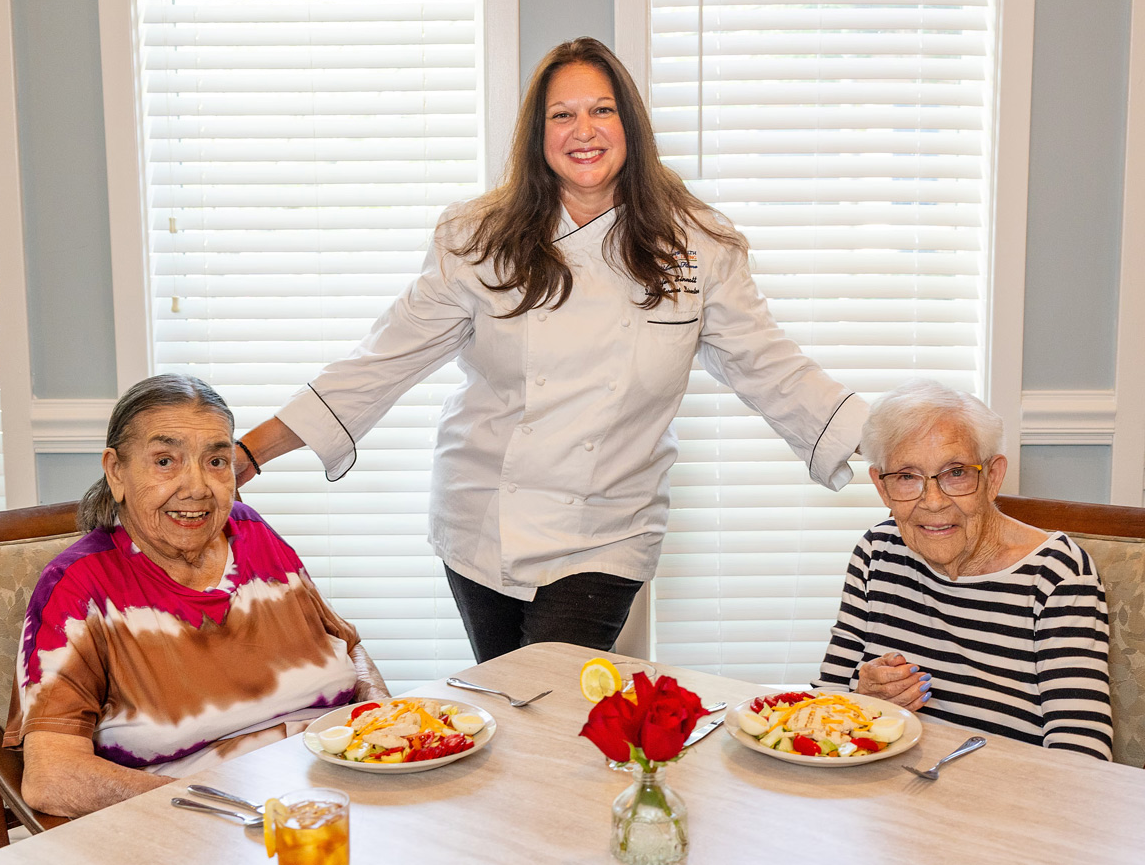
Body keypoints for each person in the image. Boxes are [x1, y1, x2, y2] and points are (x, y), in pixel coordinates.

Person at [234, 37, 867, 663]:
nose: (582, 130)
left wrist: (893, 442)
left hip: (608, 525)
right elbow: (381, 362)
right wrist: (248, 454)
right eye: (561, 115)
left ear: (632, 126)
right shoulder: (478, 241)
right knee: (510, 712)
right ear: (537, 136)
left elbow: (771, 366)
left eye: (602, 109)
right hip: (484, 518)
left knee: (546, 703)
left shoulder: (700, 247)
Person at [4, 375, 389, 817]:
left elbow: (348, 647)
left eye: (216, 461)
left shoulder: (250, 531)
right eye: (165, 461)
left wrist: (382, 725)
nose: (197, 487)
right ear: (116, 471)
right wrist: (221, 806)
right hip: (201, 823)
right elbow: (52, 778)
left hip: (339, 798)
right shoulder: (79, 587)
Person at [815, 379, 1112, 760]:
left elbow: (1083, 757)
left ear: (992, 477)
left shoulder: (1056, 574)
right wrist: (860, 700)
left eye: (955, 473)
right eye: (907, 477)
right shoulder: (876, 552)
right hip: (883, 798)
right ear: (881, 486)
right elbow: (823, 703)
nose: (933, 502)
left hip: (1005, 803)